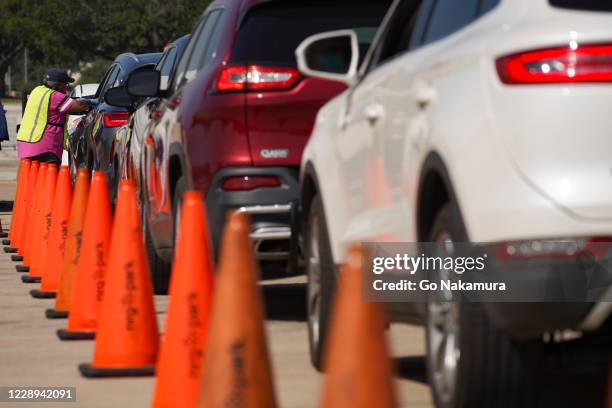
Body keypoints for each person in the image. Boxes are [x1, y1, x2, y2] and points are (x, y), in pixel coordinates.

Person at [16, 68, 90, 166]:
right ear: (58, 85)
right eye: (65, 84)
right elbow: (80, 106)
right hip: (45, 147)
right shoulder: (55, 96)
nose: (66, 88)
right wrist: (92, 101)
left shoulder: (36, 91)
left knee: (31, 178)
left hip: (25, 145)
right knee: (50, 177)